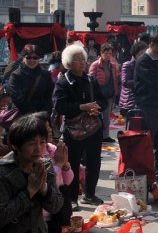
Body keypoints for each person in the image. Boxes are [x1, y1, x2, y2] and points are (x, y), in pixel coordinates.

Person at [52, 44, 106, 208]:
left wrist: (97, 107)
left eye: (83, 59)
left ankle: (90, 194)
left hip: (93, 127)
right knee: (73, 163)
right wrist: (81, 107)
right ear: (69, 62)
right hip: (73, 130)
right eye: (77, 60)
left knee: (94, 161)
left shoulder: (90, 79)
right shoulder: (63, 82)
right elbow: (59, 106)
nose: (82, 62)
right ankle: (72, 197)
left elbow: (103, 100)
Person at [0, 114, 63, 232]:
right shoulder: (3, 171)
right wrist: (29, 191)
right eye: (32, 144)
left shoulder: (44, 166)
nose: (38, 149)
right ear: (15, 145)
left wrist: (44, 189)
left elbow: (56, 206)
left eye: (42, 142)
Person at [133, 32, 158, 185]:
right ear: (152, 44)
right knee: (148, 145)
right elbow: (154, 82)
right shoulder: (143, 61)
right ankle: (148, 179)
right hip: (147, 108)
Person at [31, 111, 72, 233]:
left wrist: (65, 165)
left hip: (57, 207)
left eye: (49, 125)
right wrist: (58, 165)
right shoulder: (34, 154)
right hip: (41, 212)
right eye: (45, 127)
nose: (49, 130)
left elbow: (67, 181)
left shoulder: (53, 149)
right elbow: (48, 181)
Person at [7, 46, 54, 116]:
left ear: (39, 59)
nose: (32, 60)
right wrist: (33, 114)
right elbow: (17, 98)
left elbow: (50, 96)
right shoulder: (16, 75)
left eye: (35, 58)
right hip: (23, 116)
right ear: (23, 58)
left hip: (43, 116)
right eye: (28, 57)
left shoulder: (45, 74)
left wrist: (44, 113)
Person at [88, 43, 120, 143]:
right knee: (96, 115)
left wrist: (115, 93)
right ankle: (94, 135)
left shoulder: (113, 66)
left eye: (110, 53)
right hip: (98, 95)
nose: (108, 55)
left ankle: (105, 135)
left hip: (109, 94)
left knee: (106, 117)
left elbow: (115, 80)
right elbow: (90, 80)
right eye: (106, 53)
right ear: (101, 53)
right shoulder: (95, 65)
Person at [119, 41, 147, 118]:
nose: (144, 55)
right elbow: (125, 82)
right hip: (129, 102)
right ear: (135, 54)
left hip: (142, 101)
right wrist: (142, 82)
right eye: (141, 53)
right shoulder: (128, 65)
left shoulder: (145, 65)